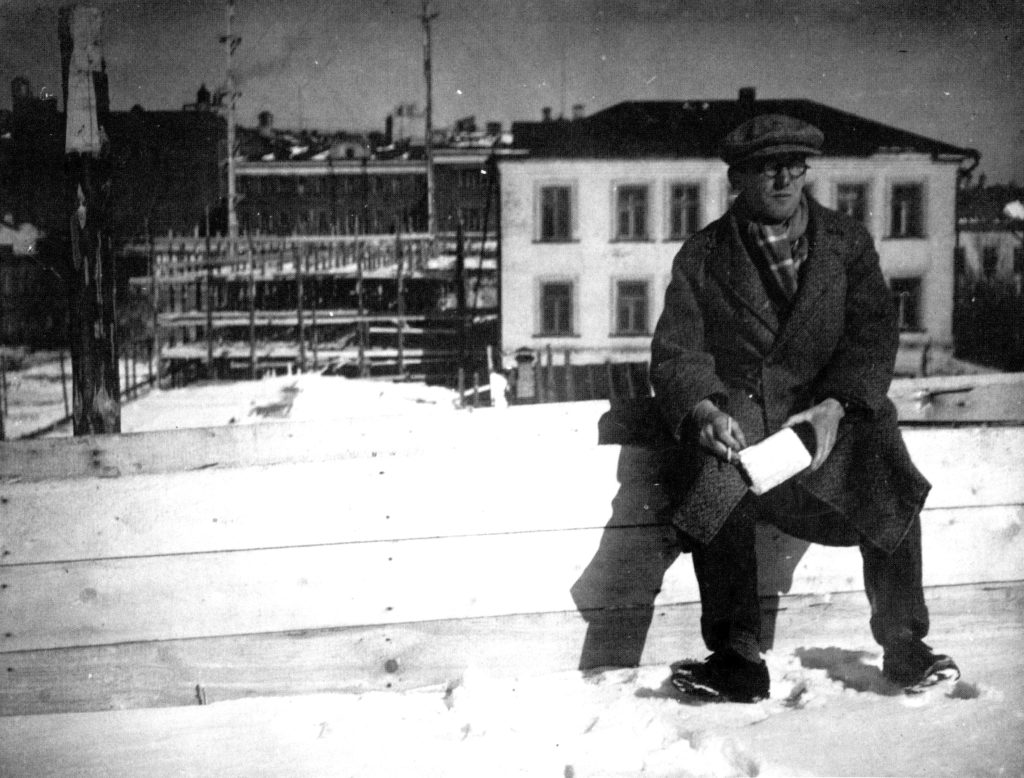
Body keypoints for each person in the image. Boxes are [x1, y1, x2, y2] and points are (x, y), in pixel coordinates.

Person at [650, 113, 959, 703]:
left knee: (884, 461)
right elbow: (676, 350)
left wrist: (837, 404)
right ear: (739, 177)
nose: (786, 180)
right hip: (747, 427)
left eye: (796, 167)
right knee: (711, 478)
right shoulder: (703, 255)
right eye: (769, 168)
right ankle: (737, 658)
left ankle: (904, 646)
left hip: (828, 423)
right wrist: (705, 410)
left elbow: (873, 336)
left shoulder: (845, 243)